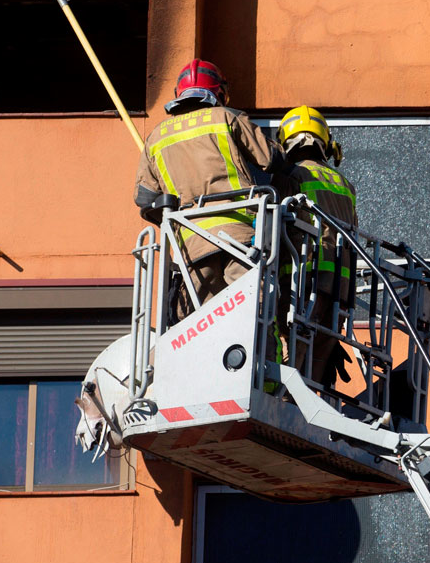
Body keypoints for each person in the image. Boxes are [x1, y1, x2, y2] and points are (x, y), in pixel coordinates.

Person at [133, 59, 281, 319]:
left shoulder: (156, 137)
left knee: (203, 324)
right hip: (240, 236)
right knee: (251, 316)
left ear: (179, 94)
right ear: (220, 92)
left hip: (191, 243)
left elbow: (144, 197)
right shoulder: (226, 117)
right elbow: (271, 159)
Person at [274, 106, 357, 384]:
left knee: (294, 353)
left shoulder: (292, 176)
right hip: (340, 288)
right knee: (318, 357)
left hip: (303, 281)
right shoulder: (345, 183)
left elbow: (276, 225)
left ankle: (286, 402)